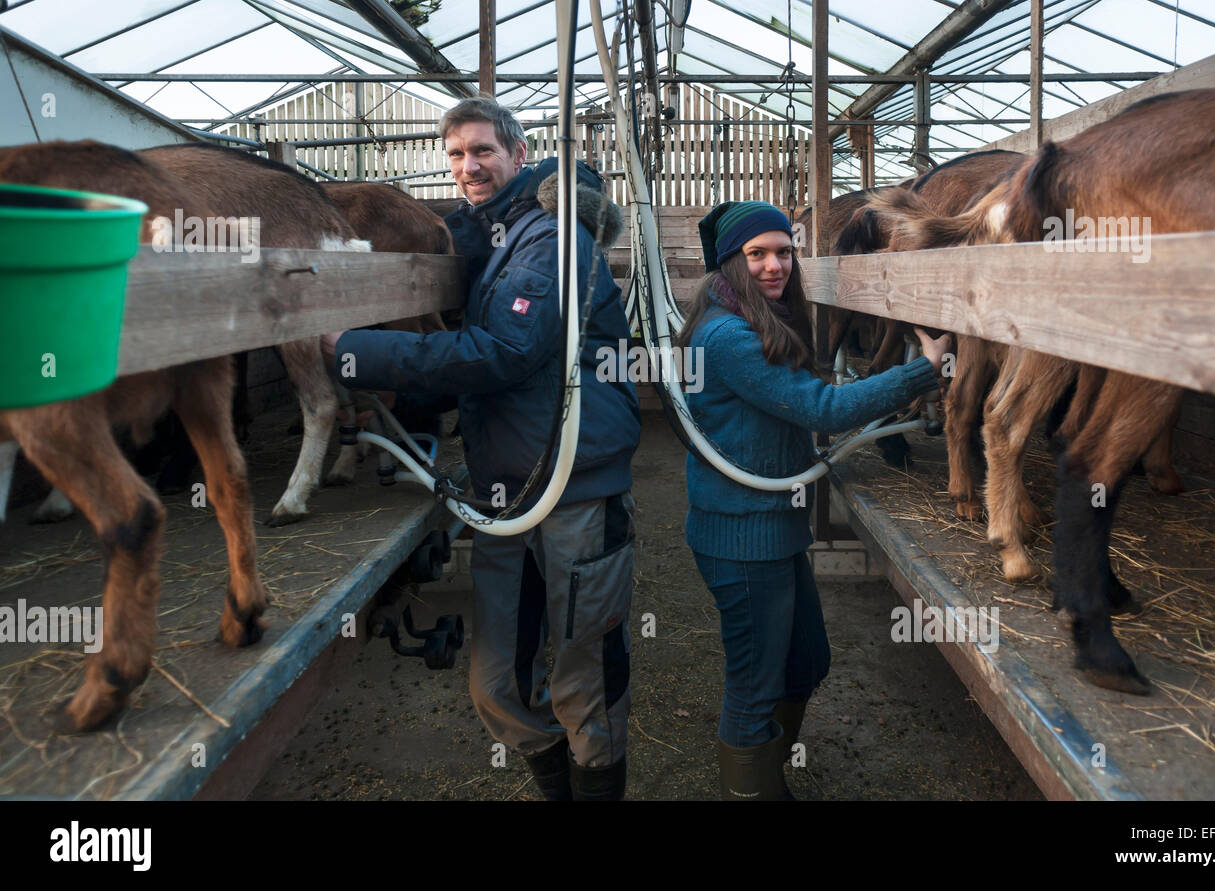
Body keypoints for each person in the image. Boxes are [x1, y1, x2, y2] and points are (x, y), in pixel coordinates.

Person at [322, 98, 640, 801]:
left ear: (519, 155)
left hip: (572, 480)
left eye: (483, 151)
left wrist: (355, 351)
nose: (469, 166)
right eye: (457, 154)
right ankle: (556, 775)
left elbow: (506, 350)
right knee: (496, 680)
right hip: (503, 488)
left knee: (584, 671)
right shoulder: (501, 237)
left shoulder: (553, 241)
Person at [677, 200, 950, 800]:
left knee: (805, 664)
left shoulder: (753, 320)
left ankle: (769, 772)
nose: (774, 266)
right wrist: (919, 371)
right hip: (741, 537)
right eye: (757, 255)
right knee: (754, 685)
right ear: (730, 265)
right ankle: (756, 789)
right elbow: (819, 408)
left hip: (771, 529)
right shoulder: (726, 335)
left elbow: (803, 396)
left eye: (784, 252)